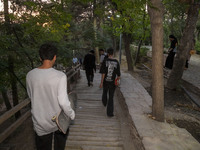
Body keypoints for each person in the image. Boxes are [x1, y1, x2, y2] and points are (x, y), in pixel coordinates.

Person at [26, 43, 75, 150]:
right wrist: (72, 114)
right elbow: (63, 102)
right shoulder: (60, 76)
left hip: (39, 121)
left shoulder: (30, 75)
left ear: (40, 57)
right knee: (59, 145)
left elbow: (31, 96)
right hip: (58, 121)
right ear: (54, 57)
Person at [99, 48, 120, 117]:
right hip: (112, 82)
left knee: (105, 92)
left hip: (105, 81)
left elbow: (103, 73)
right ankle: (110, 113)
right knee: (111, 97)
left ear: (108, 54)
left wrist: (101, 82)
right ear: (113, 54)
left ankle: (104, 102)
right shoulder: (116, 62)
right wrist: (117, 80)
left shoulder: (105, 61)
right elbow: (118, 74)